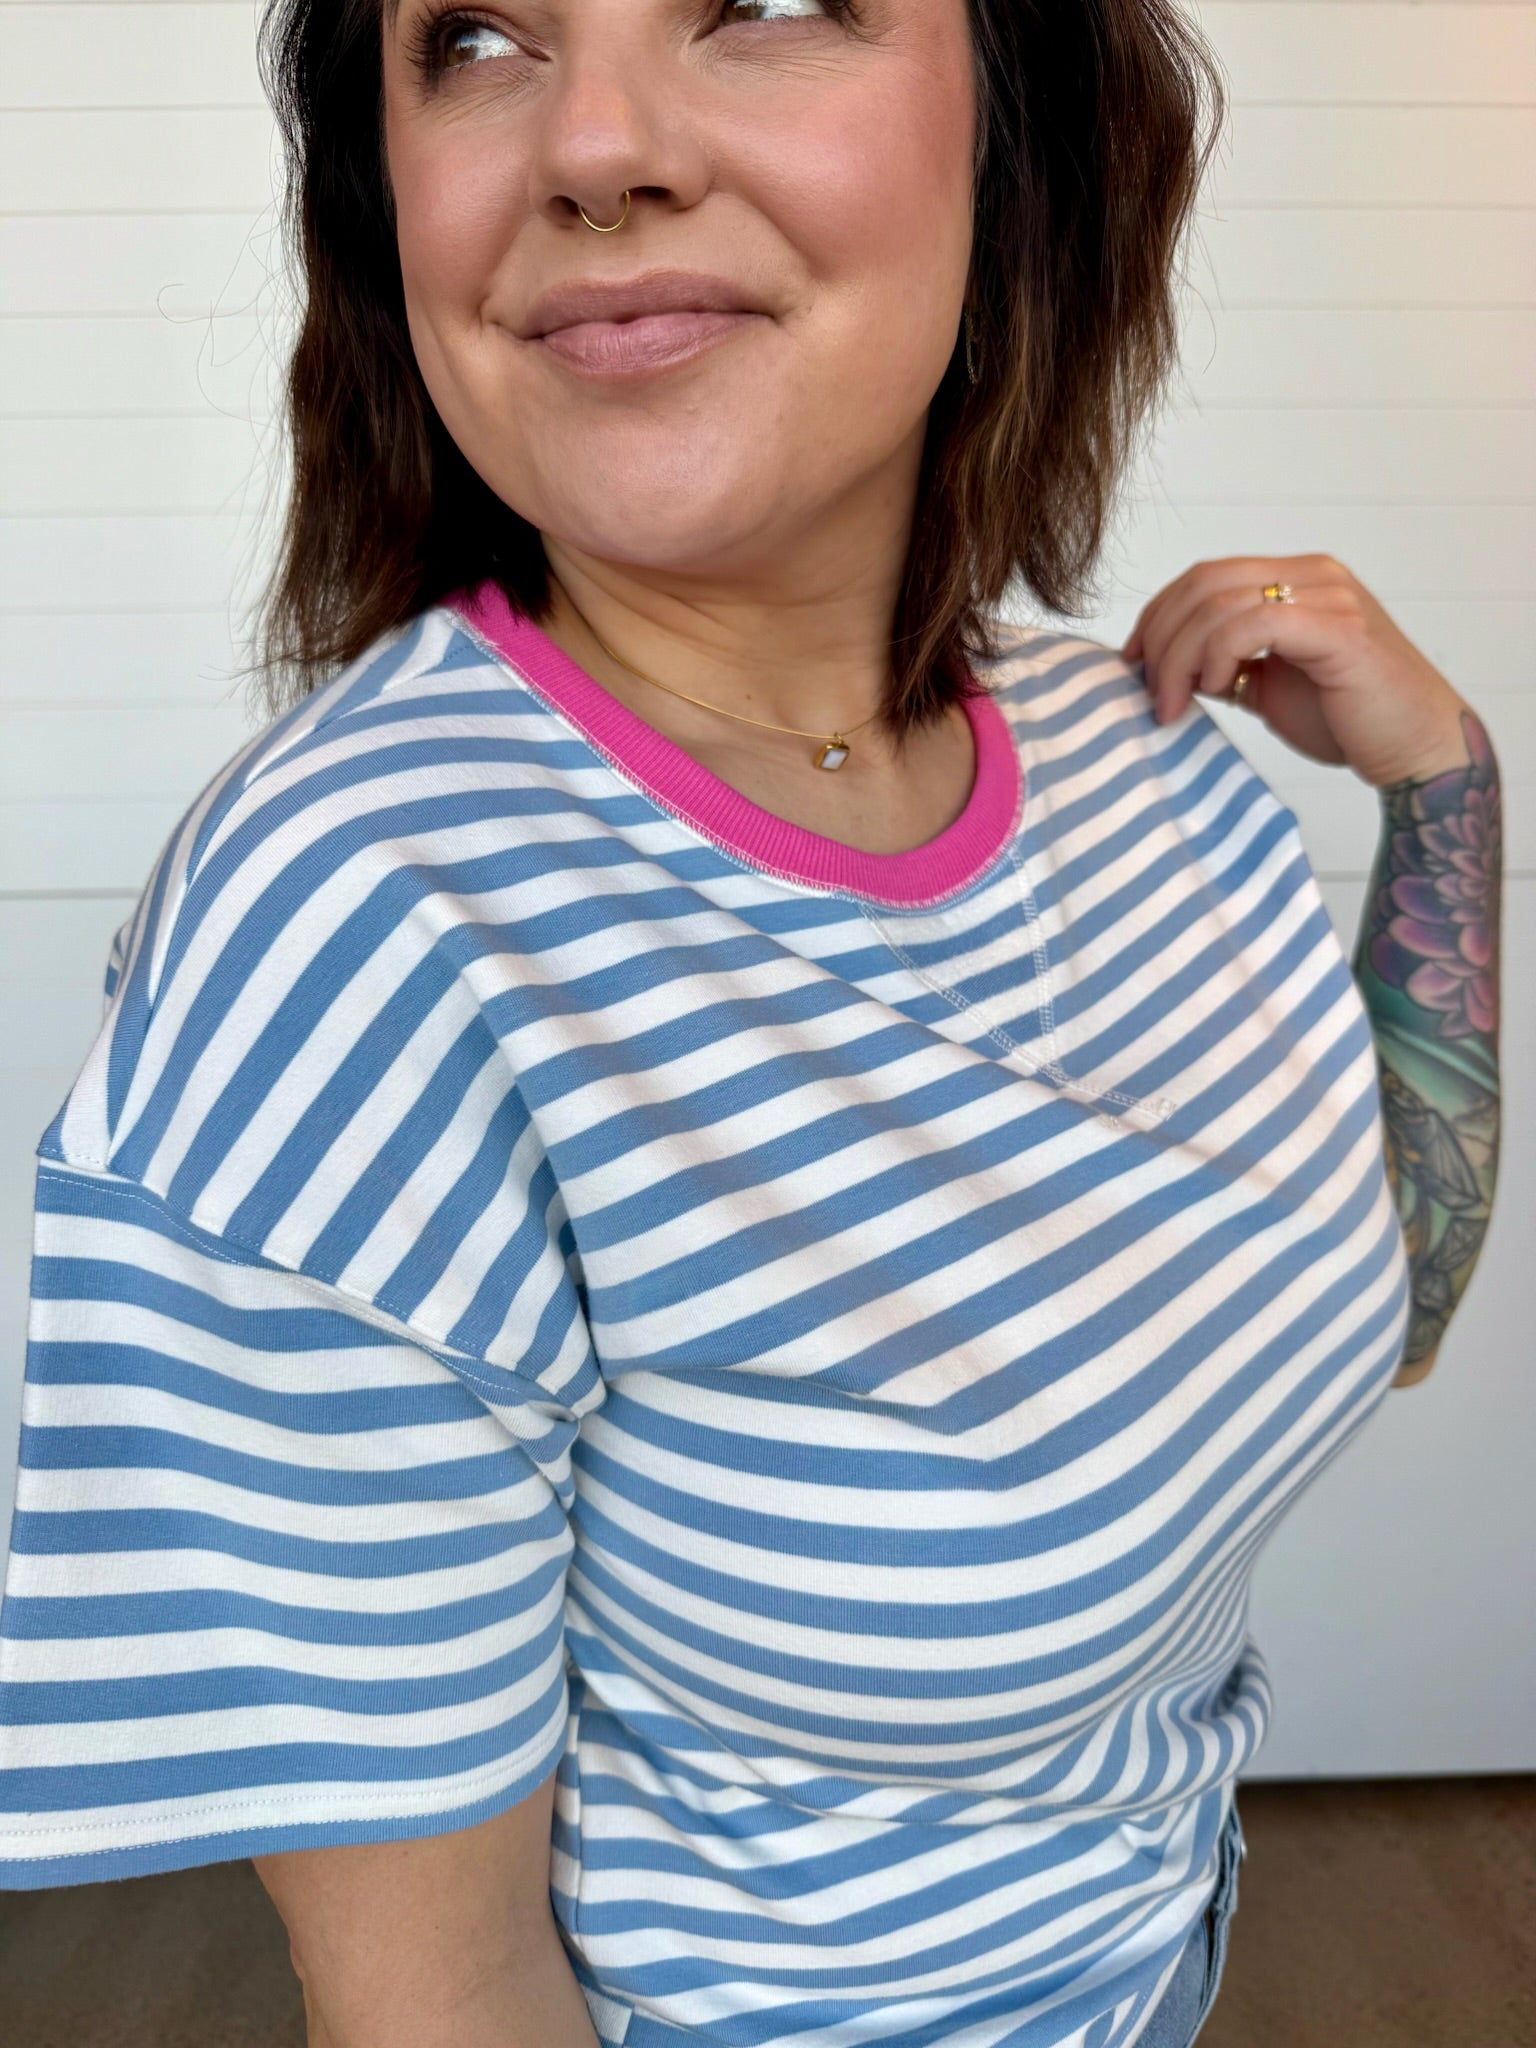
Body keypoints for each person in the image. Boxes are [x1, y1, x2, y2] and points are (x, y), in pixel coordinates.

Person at [0, 2, 1503, 2045]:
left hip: (1163, 1953)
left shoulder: (1147, 751)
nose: (594, 144)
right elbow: (440, 2000)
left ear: (1018, 132)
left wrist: (1446, 795)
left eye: (770, 1)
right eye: (475, 35)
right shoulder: (358, 926)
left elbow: (1390, 1303)